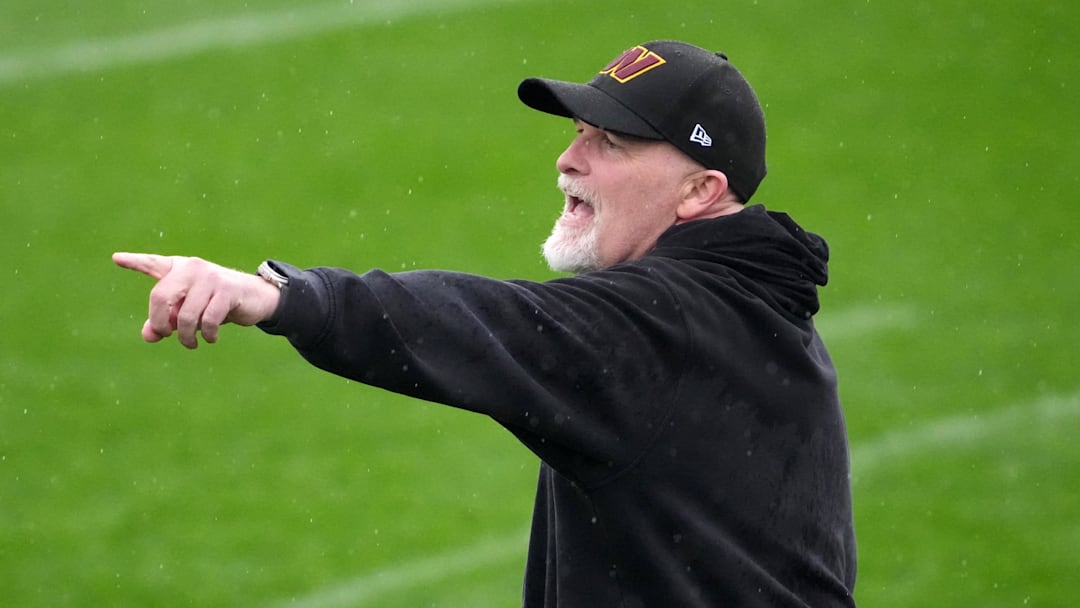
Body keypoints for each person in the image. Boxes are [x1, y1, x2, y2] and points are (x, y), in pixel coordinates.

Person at [114, 40, 857, 607]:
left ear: (700, 189)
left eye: (611, 144)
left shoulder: (664, 324)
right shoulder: (759, 307)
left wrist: (280, 298)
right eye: (578, 131)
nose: (568, 159)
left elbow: (483, 323)